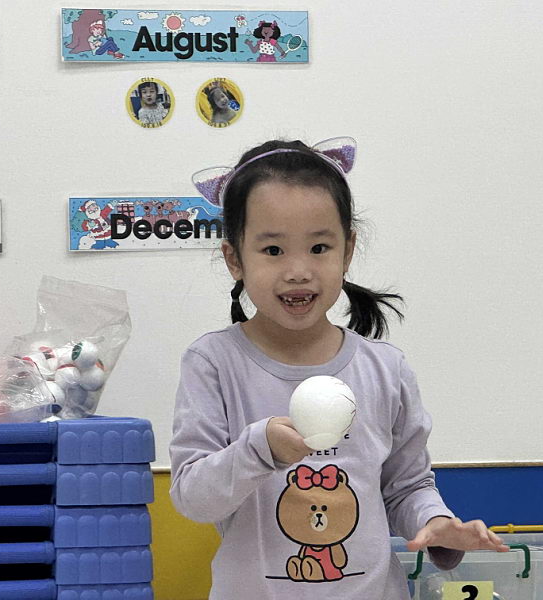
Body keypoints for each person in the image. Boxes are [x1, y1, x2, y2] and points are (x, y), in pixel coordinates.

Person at [170, 138, 507, 599]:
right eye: (273, 250)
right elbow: (193, 497)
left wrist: (436, 523)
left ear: (347, 251)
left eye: (319, 247)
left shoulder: (385, 368)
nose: (298, 270)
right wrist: (259, 446)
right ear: (234, 259)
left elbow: (406, 487)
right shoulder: (213, 362)